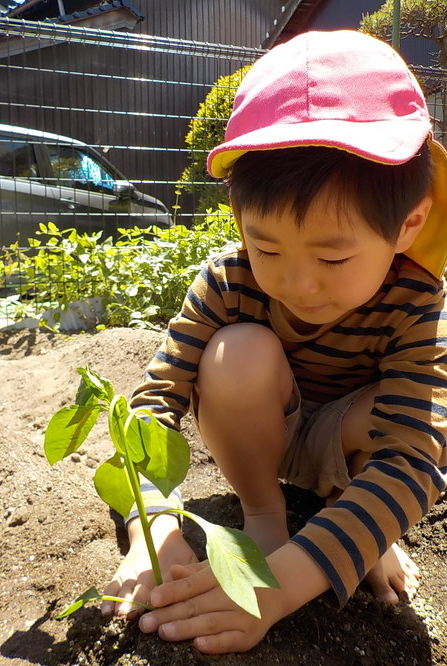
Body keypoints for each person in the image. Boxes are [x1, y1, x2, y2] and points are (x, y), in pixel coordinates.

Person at [101, 29, 447, 654]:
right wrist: (154, 527)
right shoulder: (228, 281)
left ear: (408, 224)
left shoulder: (416, 299)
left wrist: (283, 588)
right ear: (239, 218)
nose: (297, 283)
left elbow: (413, 459)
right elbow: (149, 410)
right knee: (238, 353)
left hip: (345, 447)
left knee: (414, 413)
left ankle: (356, 524)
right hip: (260, 431)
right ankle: (266, 515)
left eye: (334, 257)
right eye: (267, 248)